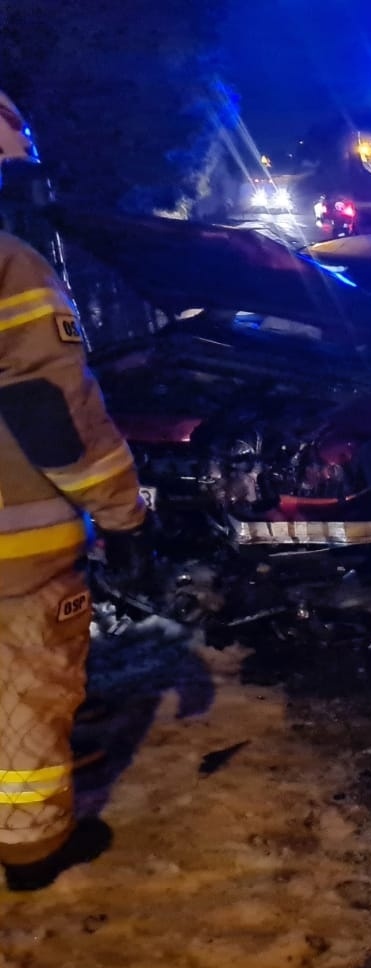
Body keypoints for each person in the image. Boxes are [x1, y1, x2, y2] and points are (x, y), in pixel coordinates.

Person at [0, 103, 147, 885]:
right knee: (24, 694)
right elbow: (53, 416)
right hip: (13, 551)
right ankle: (32, 850)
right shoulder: (8, 264)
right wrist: (124, 515)